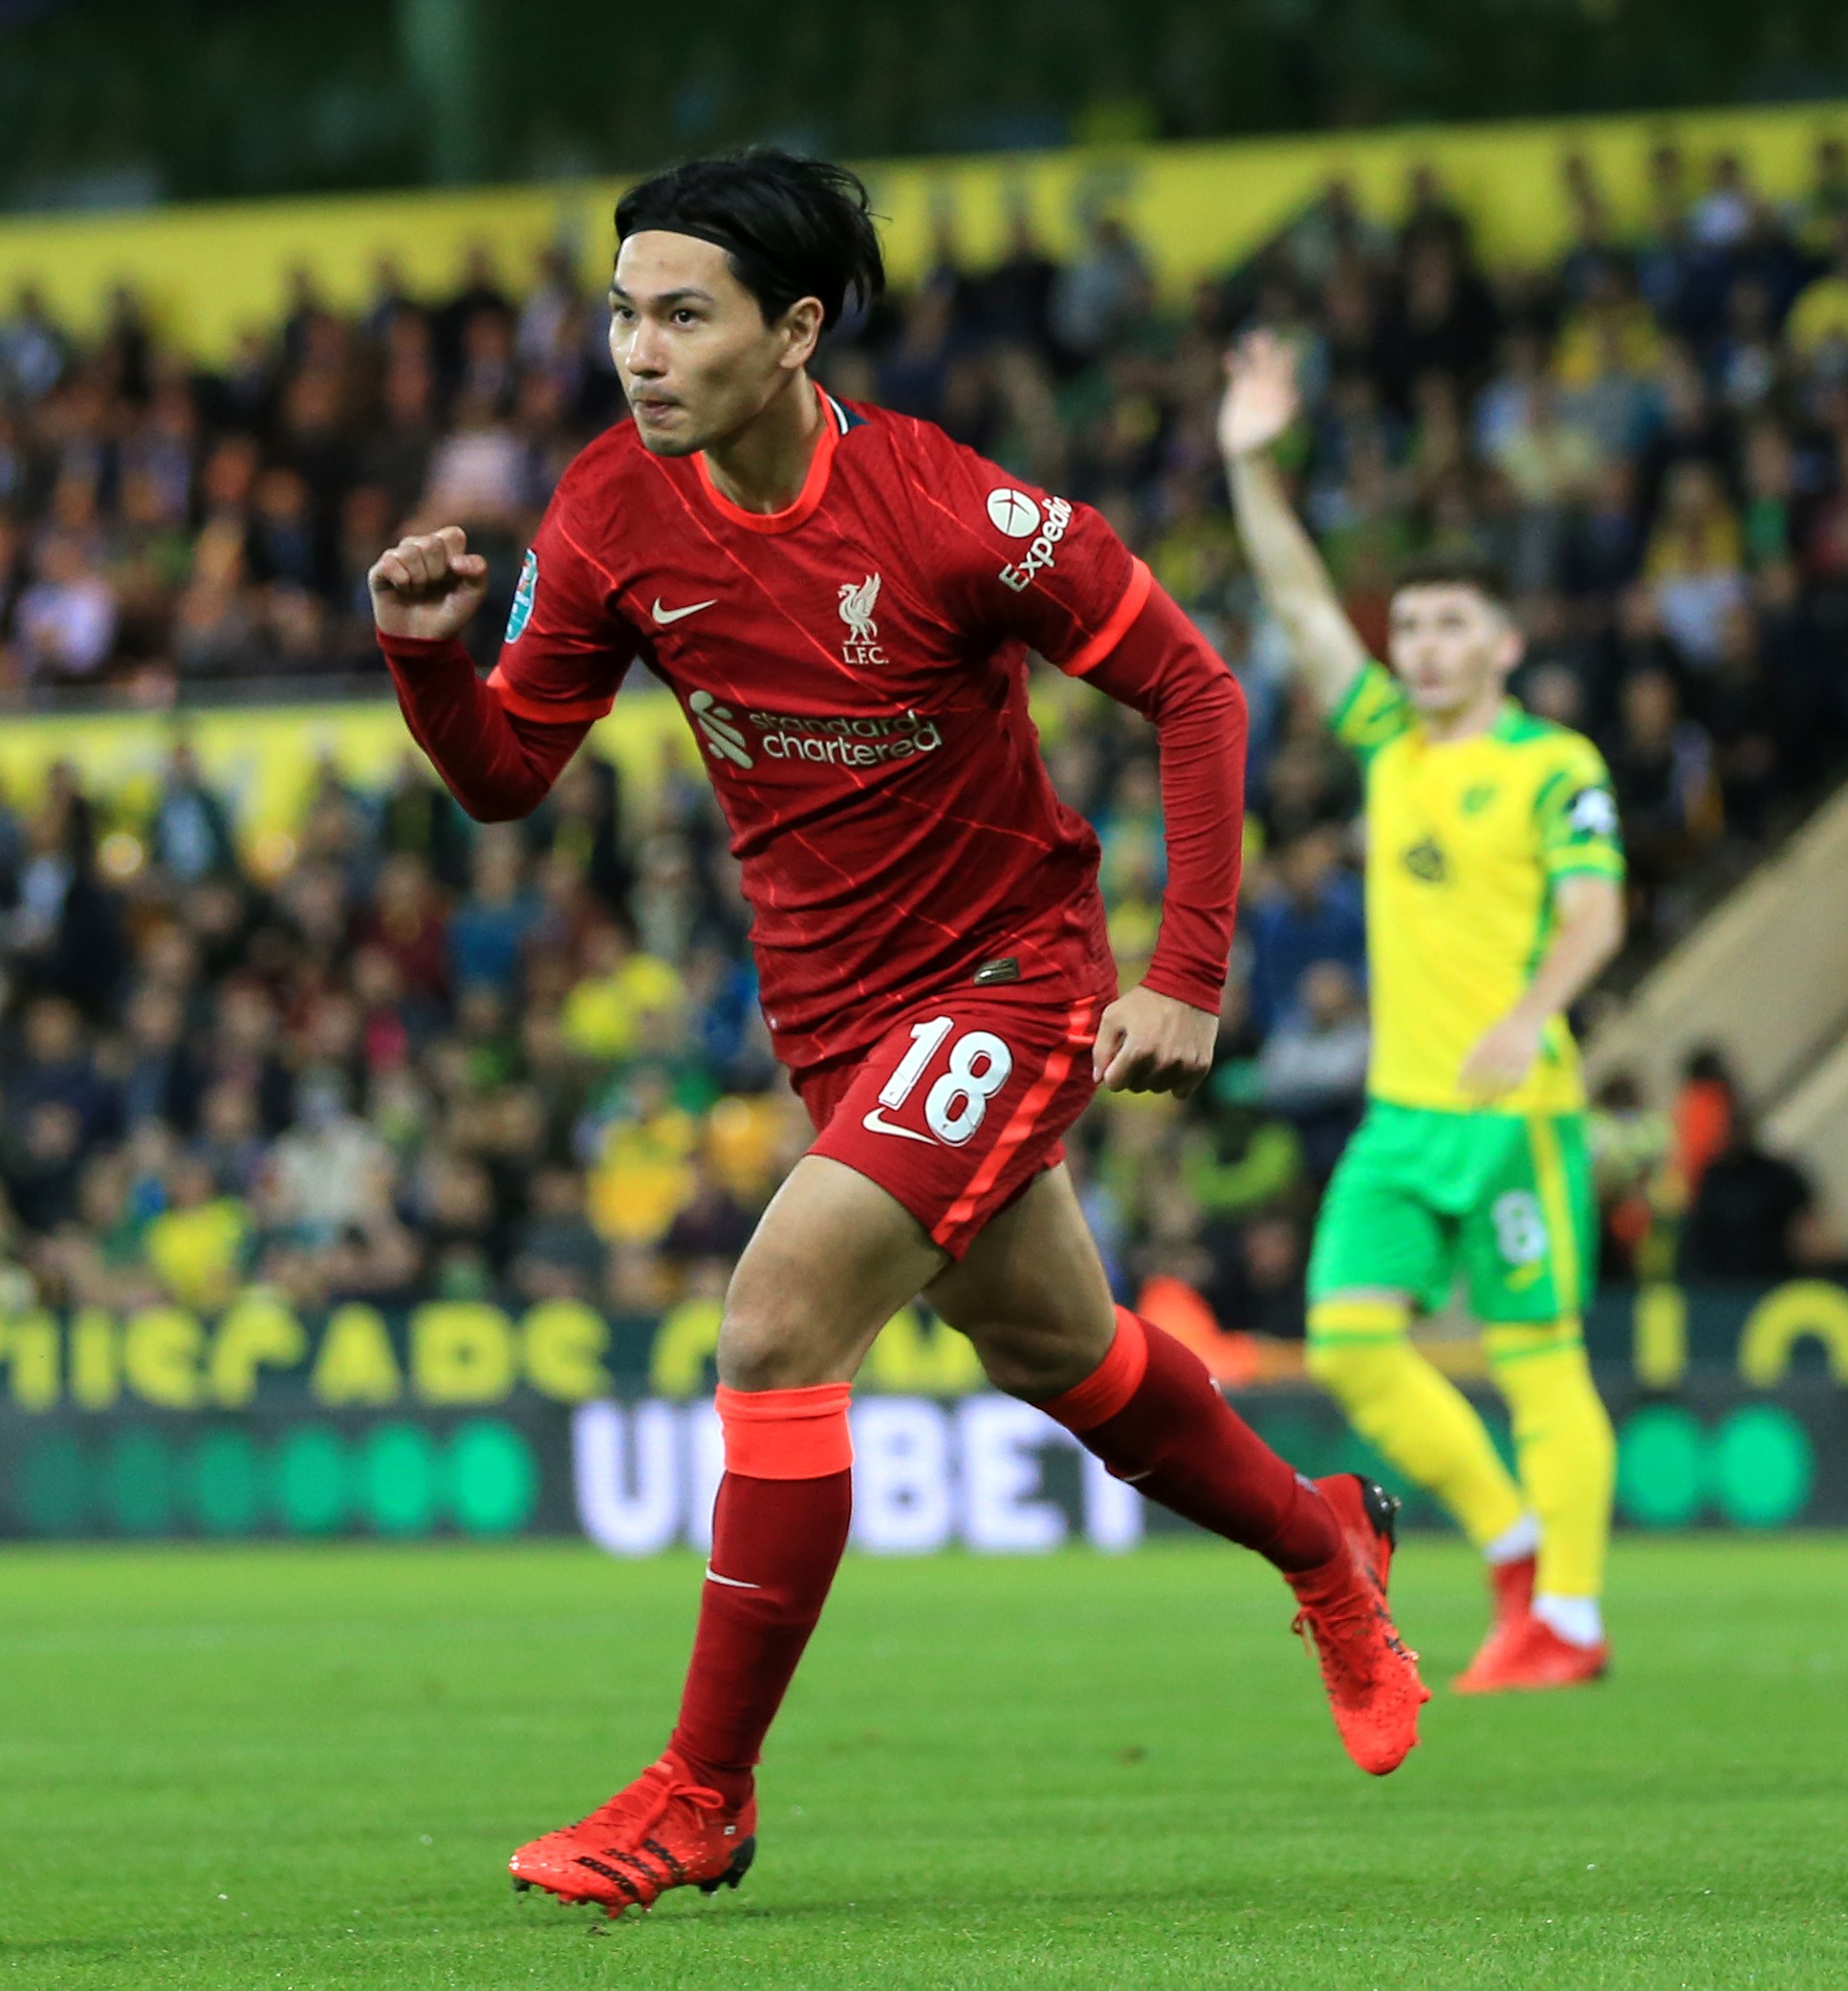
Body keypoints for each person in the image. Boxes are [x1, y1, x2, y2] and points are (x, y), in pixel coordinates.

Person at [369, 151, 1424, 1915]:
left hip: (1008, 982)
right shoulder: (612, 512)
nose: (637, 350)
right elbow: (506, 779)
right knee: (1064, 1354)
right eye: (622, 311)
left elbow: (1193, 684)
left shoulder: (944, 506)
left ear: (793, 331)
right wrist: (423, 661)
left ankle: (699, 1794)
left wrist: (1185, 969)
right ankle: (1326, 1537)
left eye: (680, 314)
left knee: (776, 1322)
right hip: (834, 1017)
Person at [1219, 330, 1628, 1694]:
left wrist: (1529, 1015)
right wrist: (1246, 461)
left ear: (1504, 642)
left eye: (1455, 624)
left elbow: (1596, 912)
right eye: (1413, 626)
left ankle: (1566, 1613)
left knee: (1538, 1356)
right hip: (1402, 1112)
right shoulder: (1390, 744)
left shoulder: (1551, 765)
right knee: (1345, 1339)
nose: (1426, 644)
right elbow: (1295, 604)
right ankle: (1512, 1544)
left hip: (1514, 1107)